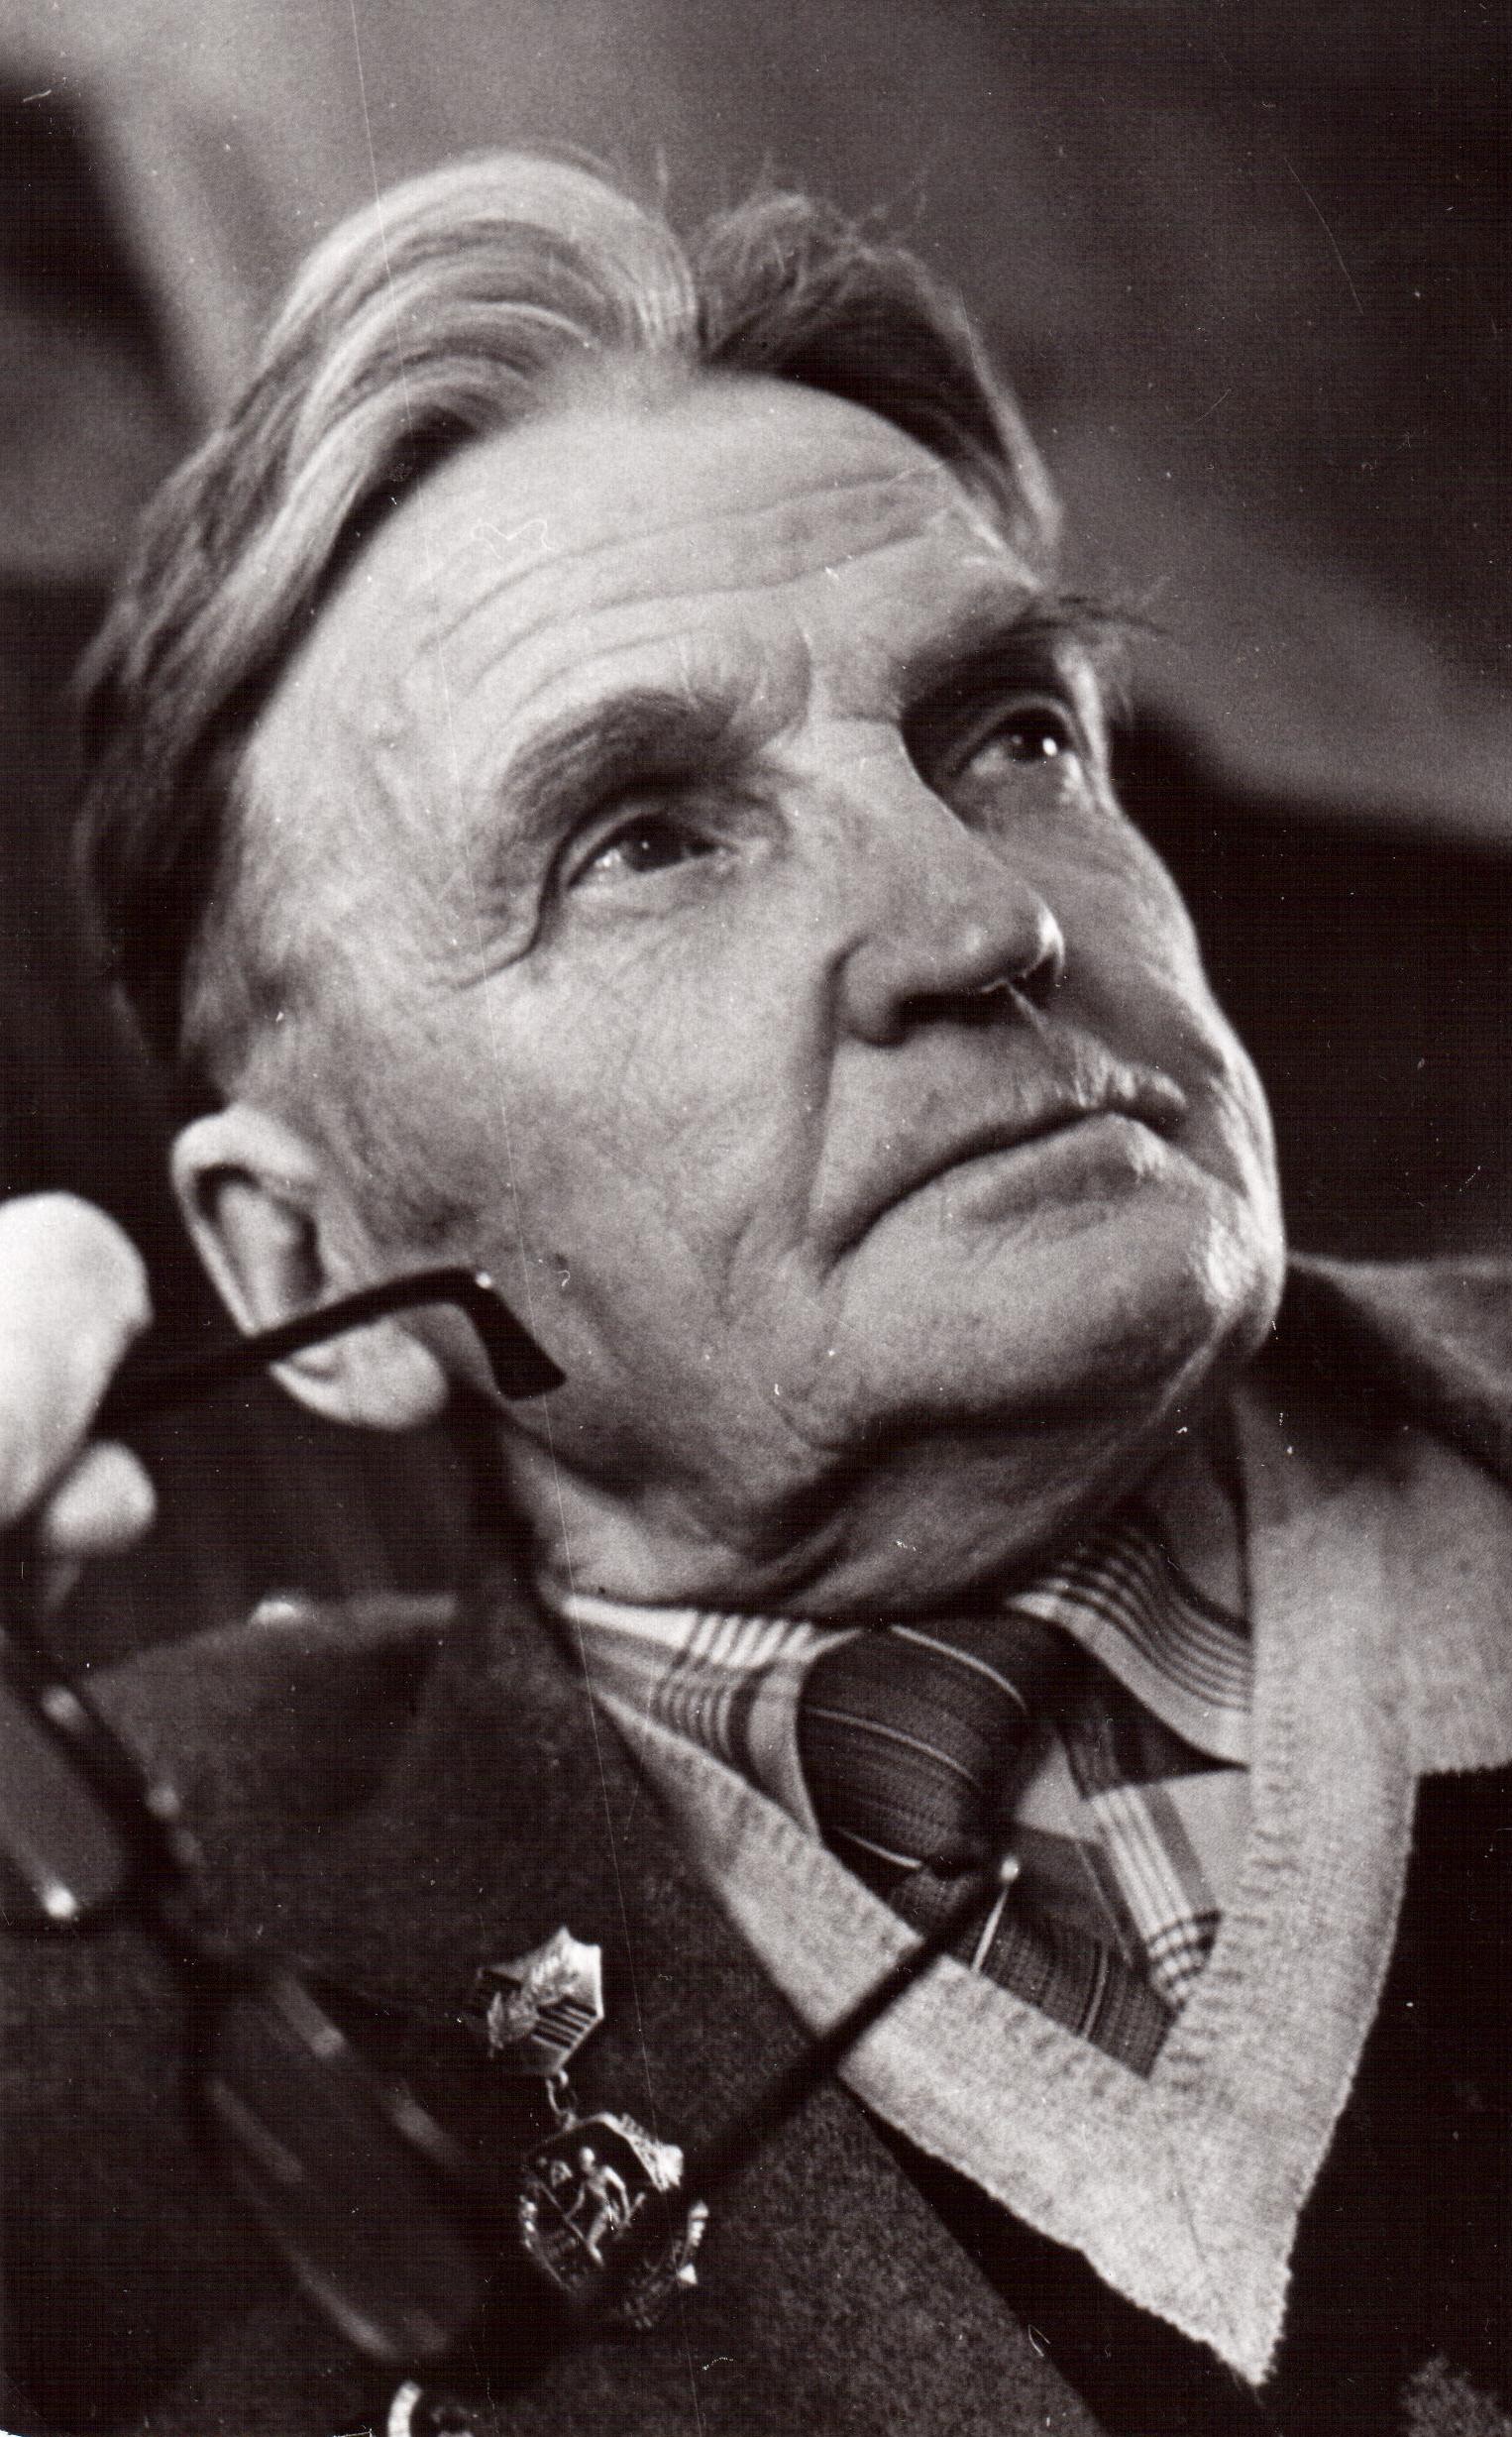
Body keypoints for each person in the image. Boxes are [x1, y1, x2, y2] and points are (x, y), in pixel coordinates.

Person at [2, 154, 1510, 2437]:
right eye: (646, 840)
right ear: (324, 1273)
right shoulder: (92, 1999)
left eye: (1013, 732)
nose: (984, 922)